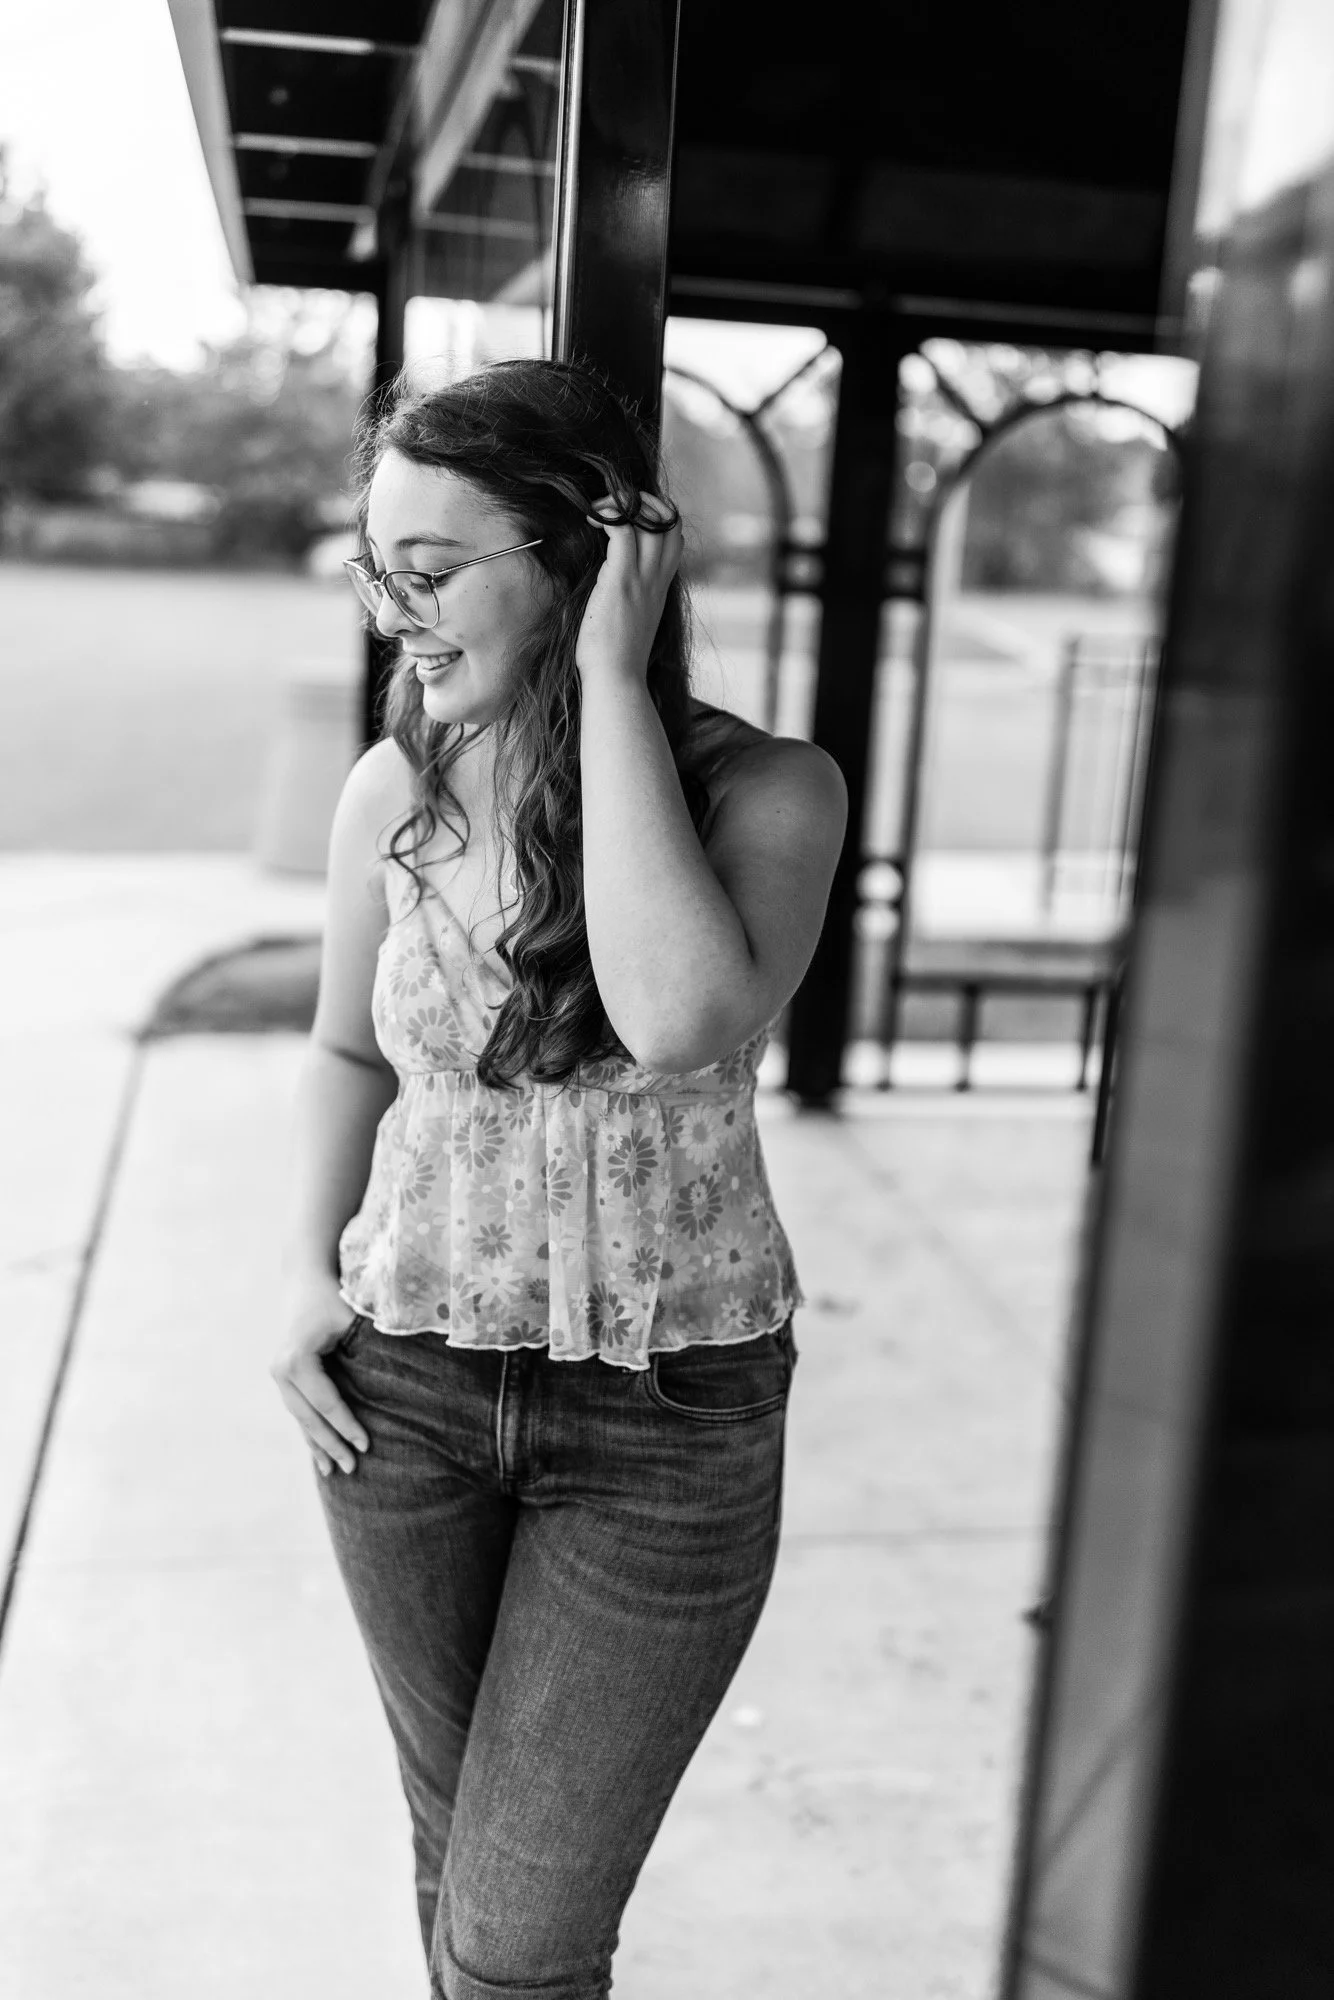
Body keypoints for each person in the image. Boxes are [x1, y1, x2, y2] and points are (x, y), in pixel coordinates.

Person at [270, 356, 847, 2000]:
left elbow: (675, 1017)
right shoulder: (393, 792)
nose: (400, 615)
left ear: (589, 553)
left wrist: (604, 682)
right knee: (460, 1877)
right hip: (404, 1397)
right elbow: (344, 1054)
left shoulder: (767, 789)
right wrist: (303, 1276)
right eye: (382, 572)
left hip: (664, 1427)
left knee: (517, 1937)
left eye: (434, 572)